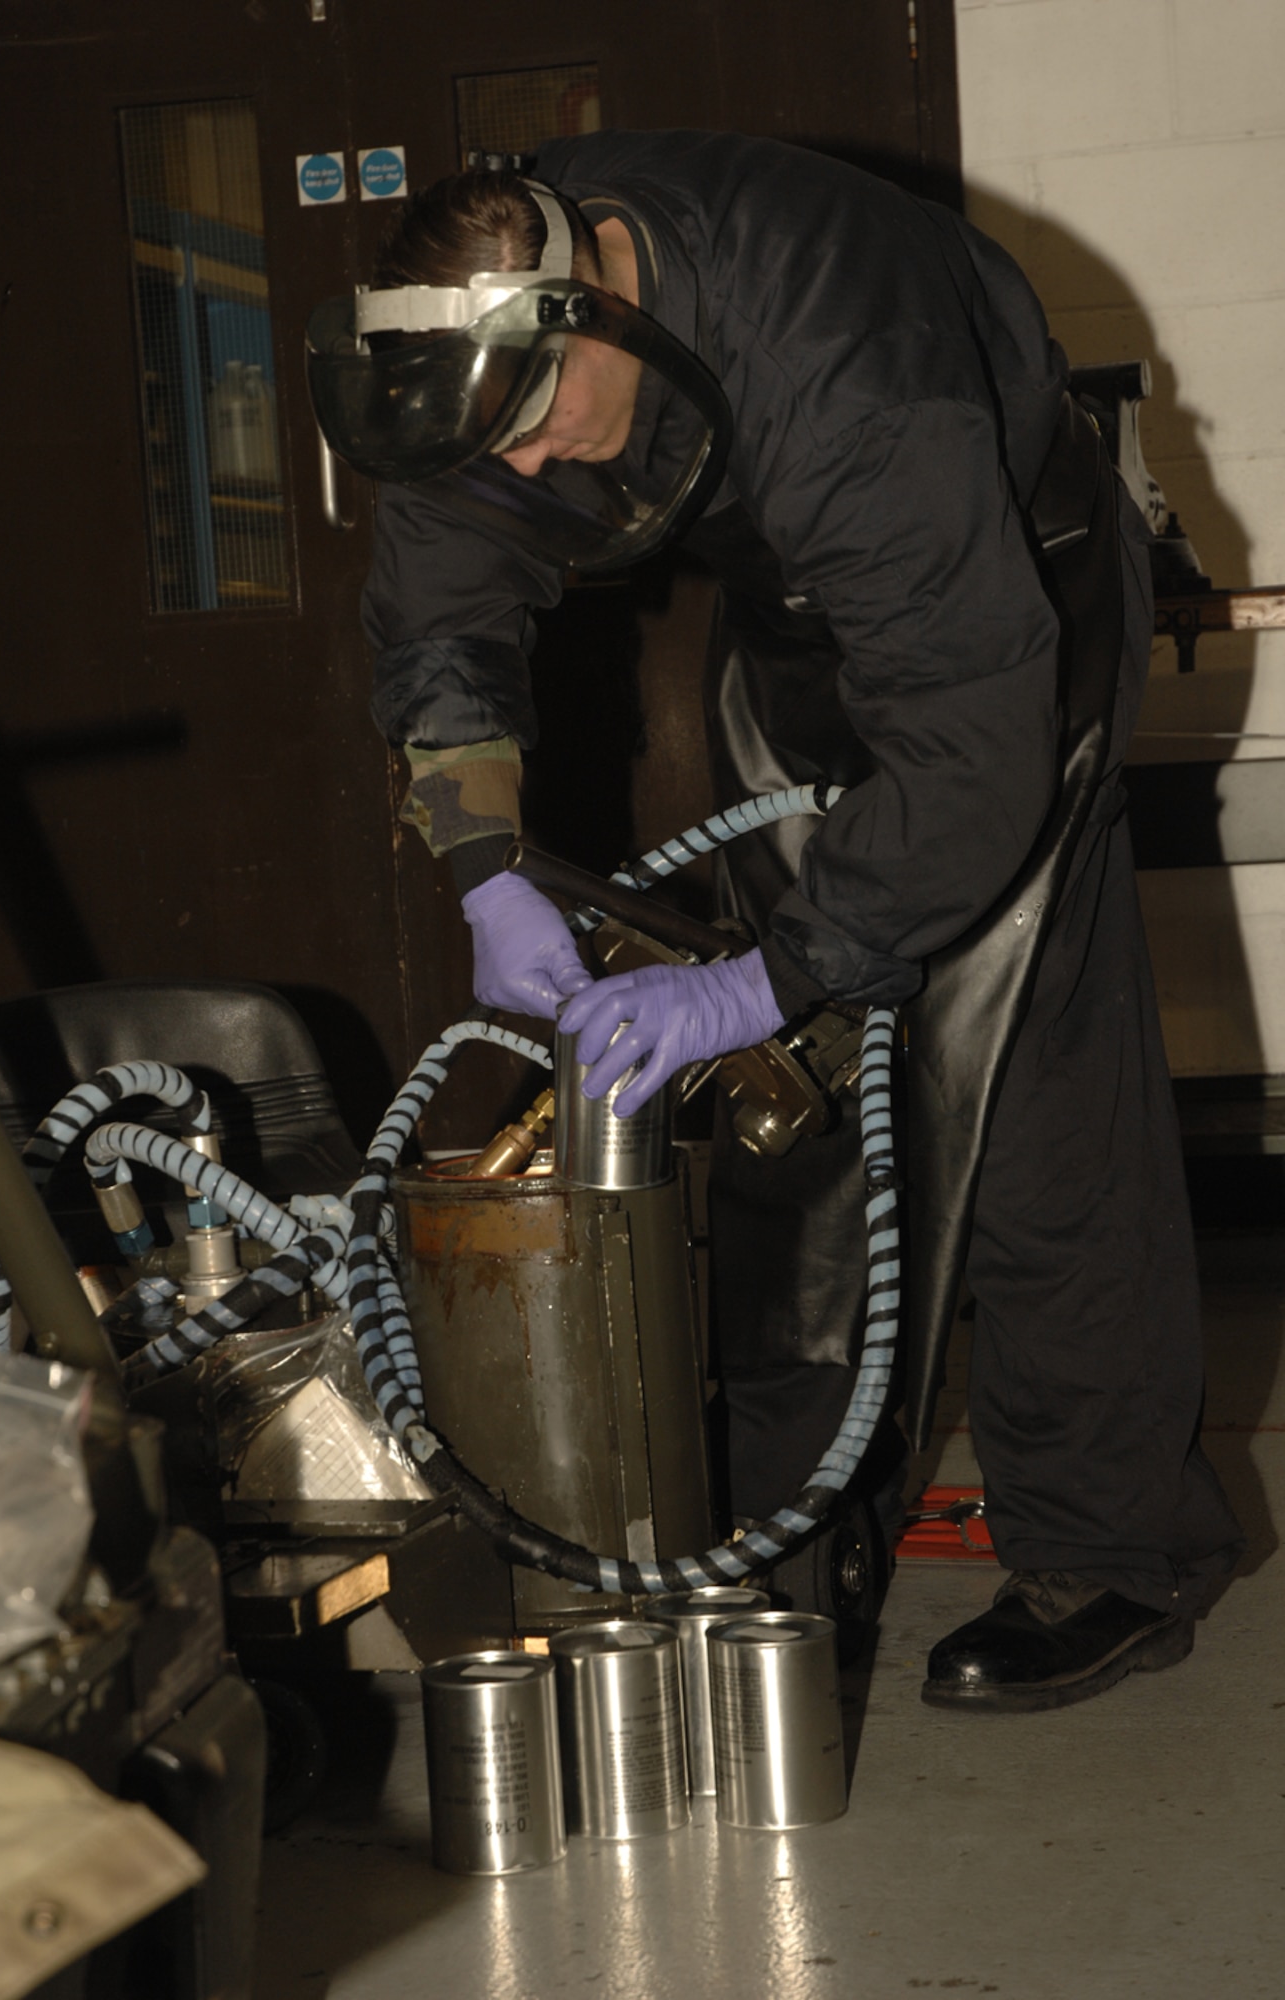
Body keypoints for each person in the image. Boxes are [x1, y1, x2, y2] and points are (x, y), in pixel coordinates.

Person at [312, 129, 1243, 1711]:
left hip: (1016, 617)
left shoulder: (843, 352)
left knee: (1019, 1084)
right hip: (807, 628)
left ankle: (1112, 1556)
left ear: (600, 298)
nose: (532, 473)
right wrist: (480, 854)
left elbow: (964, 730)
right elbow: (448, 590)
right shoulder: (478, 346)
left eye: (541, 429)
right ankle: (796, 1531)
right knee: (788, 1116)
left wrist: (785, 970)